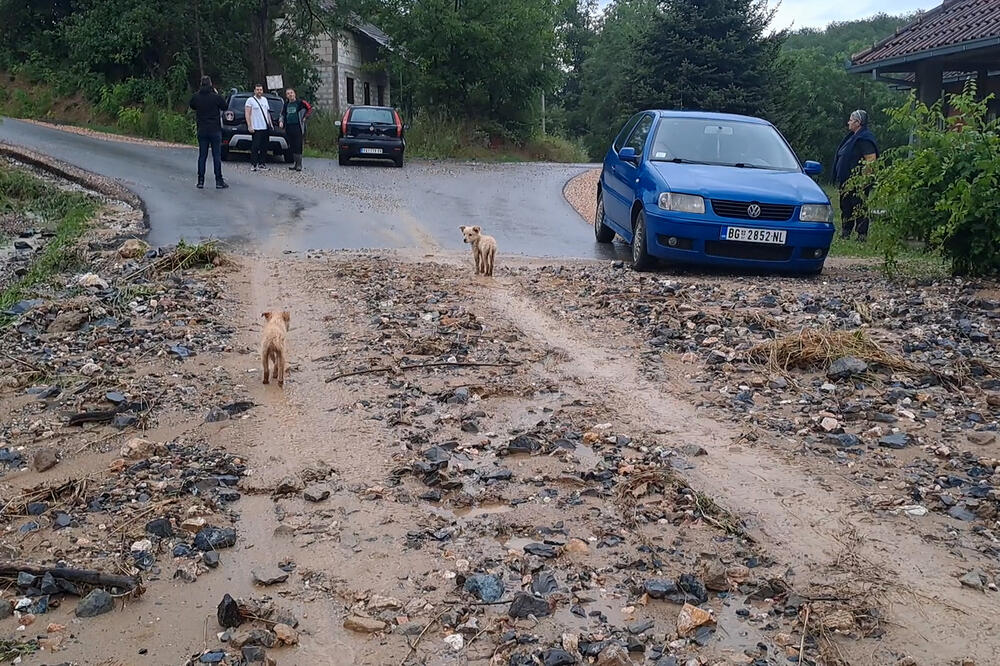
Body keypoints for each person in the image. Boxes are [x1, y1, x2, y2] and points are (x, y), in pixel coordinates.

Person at [833, 109, 879, 241]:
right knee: (846, 206)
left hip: (858, 181)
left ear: (858, 122)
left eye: (851, 120)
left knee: (859, 206)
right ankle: (846, 231)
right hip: (846, 180)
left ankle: (861, 234)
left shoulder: (864, 138)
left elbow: (871, 159)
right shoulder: (852, 137)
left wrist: (863, 180)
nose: (848, 122)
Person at [188, 76, 229, 189]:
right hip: (214, 129)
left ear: (201, 84)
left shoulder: (196, 96)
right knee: (216, 156)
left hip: (202, 129)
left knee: (202, 156)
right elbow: (225, 106)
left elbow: (192, 105)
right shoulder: (215, 97)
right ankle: (218, 181)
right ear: (211, 84)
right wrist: (217, 93)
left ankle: (200, 181)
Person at [279, 88, 313, 172]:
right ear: (286, 96)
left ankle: (299, 164)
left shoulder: (300, 103)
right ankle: (295, 163)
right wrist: (281, 121)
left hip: (298, 127)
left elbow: (310, 109)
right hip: (289, 127)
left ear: (294, 94)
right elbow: (282, 114)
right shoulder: (286, 104)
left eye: (291, 93)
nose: (290, 95)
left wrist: (305, 117)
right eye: (288, 93)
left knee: (298, 145)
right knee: (292, 146)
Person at [245, 83, 274, 171]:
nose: (259, 91)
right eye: (257, 90)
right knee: (255, 146)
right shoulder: (250, 100)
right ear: (254, 91)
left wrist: (270, 124)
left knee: (264, 147)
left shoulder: (265, 100)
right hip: (256, 127)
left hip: (265, 127)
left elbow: (267, 113)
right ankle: (253, 164)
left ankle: (262, 164)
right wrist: (249, 125)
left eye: (260, 90)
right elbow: (247, 113)